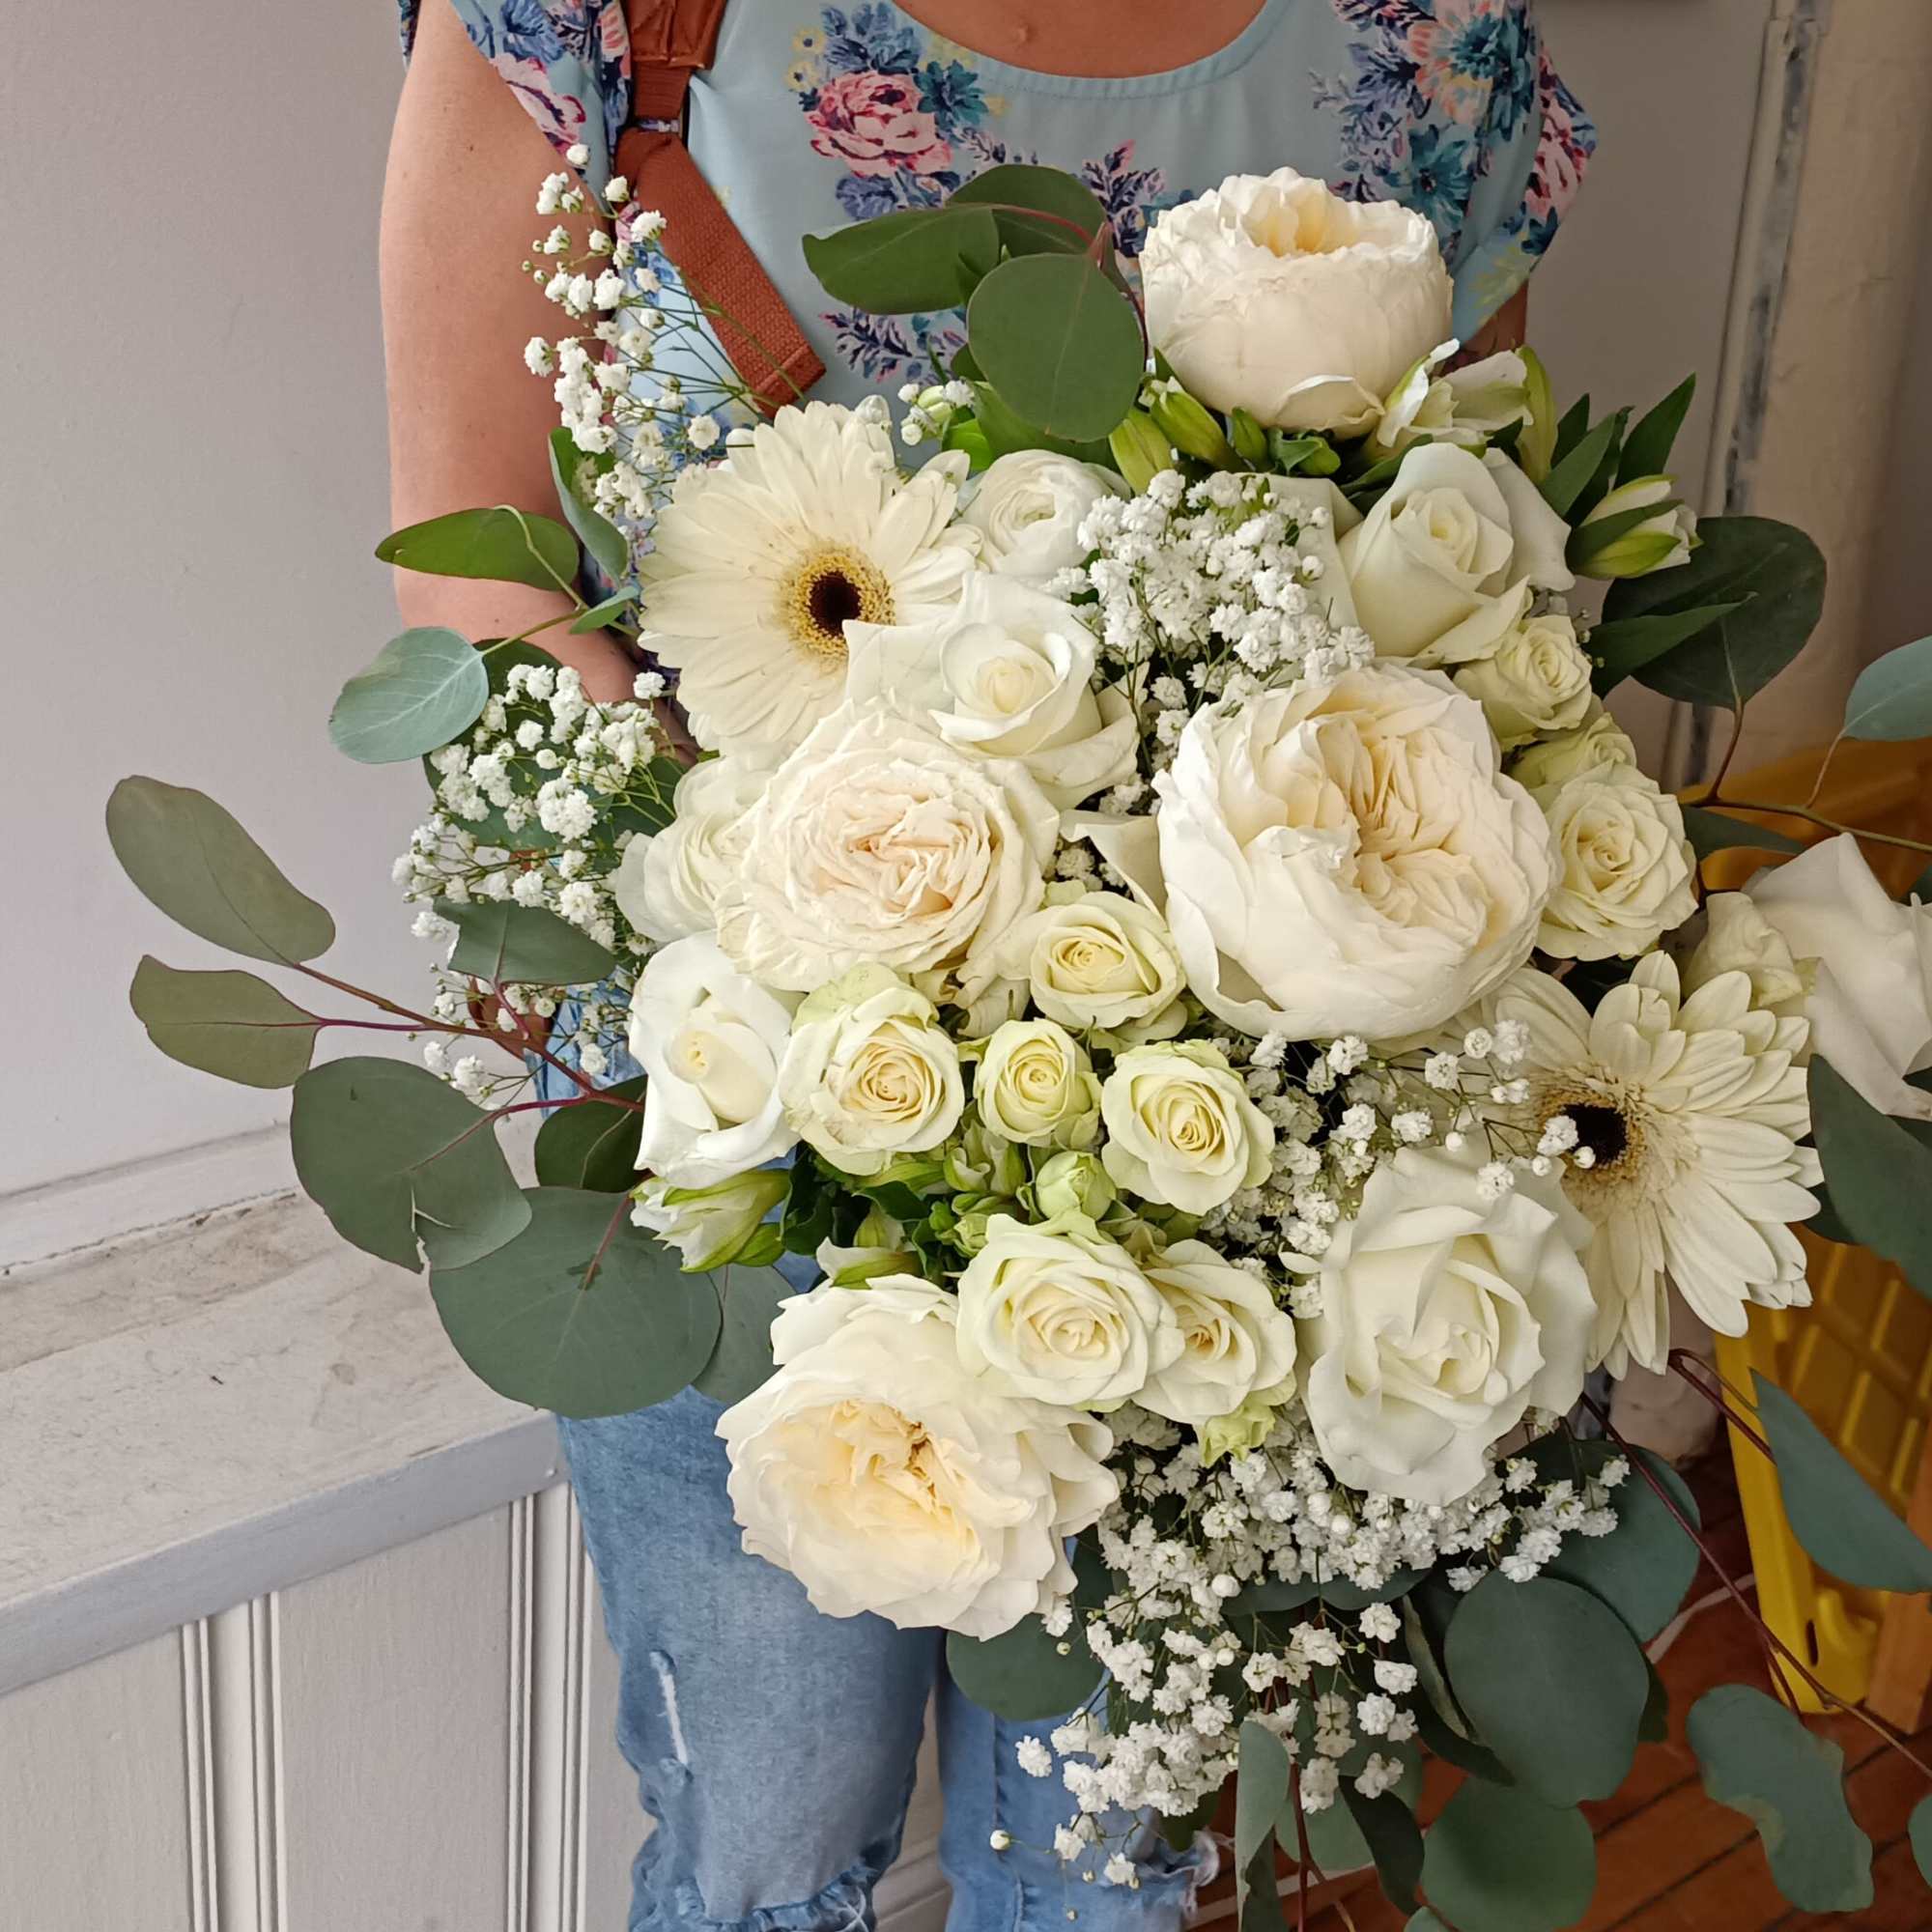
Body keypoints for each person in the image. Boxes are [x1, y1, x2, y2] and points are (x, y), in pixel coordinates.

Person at [381, 5, 1592, 1926]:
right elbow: (474, 554)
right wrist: (813, 935)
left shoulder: (1427, 42)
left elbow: (1460, 563)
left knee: (1113, 1854)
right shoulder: (595, 24)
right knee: (768, 1834)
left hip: (1211, 1150)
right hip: (733, 1119)